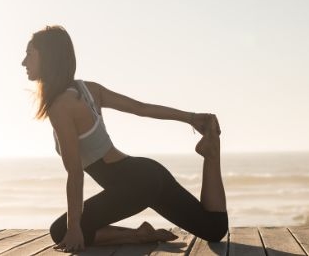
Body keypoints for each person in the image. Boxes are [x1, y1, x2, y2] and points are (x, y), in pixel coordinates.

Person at [21, 25, 228, 253]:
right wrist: (190, 118)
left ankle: (139, 236)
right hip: (147, 174)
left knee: (60, 231)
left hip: (134, 185)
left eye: (29, 54)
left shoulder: (61, 106)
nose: (24, 62)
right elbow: (142, 108)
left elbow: (75, 173)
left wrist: (74, 228)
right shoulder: (87, 89)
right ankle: (211, 154)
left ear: (48, 57)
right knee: (214, 228)